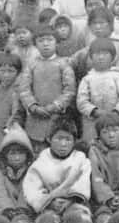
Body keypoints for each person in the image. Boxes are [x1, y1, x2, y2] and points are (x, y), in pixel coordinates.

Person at [22, 119, 93, 223]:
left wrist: (71, 200)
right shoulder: (40, 162)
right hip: (48, 206)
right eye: (59, 139)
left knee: (77, 218)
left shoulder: (81, 160)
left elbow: (82, 183)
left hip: (74, 203)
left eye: (68, 139)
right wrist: (49, 201)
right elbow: (32, 188)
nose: (63, 144)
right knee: (46, 222)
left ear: (74, 141)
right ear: (49, 139)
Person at [19, 25, 76, 153]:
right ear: (35, 44)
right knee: (37, 150)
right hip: (35, 118)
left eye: (49, 40)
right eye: (41, 41)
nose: (45, 44)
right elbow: (24, 89)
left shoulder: (64, 64)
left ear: (56, 42)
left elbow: (69, 90)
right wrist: (33, 106)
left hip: (57, 116)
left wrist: (55, 106)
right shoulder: (31, 65)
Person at [77, 38, 119, 143]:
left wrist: (116, 112)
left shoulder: (118, 76)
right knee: (96, 145)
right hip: (94, 121)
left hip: (118, 118)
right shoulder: (87, 79)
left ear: (112, 57)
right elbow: (82, 101)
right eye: (97, 54)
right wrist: (94, 111)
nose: (101, 57)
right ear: (91, 57)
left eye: (105, 54)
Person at [0, 124, 36, 223]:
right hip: (5, 213)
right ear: (5, 155)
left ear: (27, 154)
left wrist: (21, 210)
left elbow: (29, 191)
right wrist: (7, 210)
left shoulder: (32, 169)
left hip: (25, 214)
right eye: (12, 153)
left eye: (21, 153)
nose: (17, 157)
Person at [69, 6, 119, 83]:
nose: (98, 26)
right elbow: (69, 64)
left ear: (110, 24)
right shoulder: (85, 51)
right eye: (94, 23)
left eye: (101, 23)